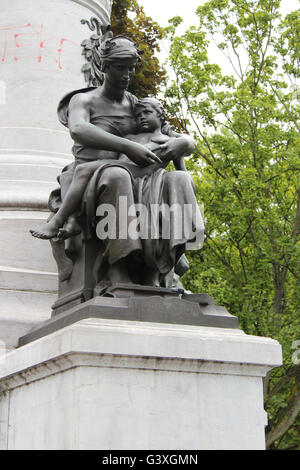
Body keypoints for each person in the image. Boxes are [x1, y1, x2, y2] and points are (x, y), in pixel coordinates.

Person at [30, 35, 203, 286]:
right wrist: (127, 146)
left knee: (178, 178)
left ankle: (166, 261)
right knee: (116, 175)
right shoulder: (84, 100)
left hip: (137, 174)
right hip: (93, 174)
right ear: (104, 67)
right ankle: (117, 266)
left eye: (131, 68)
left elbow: (170, 133)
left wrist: (185, 143)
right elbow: (78, 129)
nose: (127, 75)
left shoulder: (135, 103)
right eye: (120, 67)